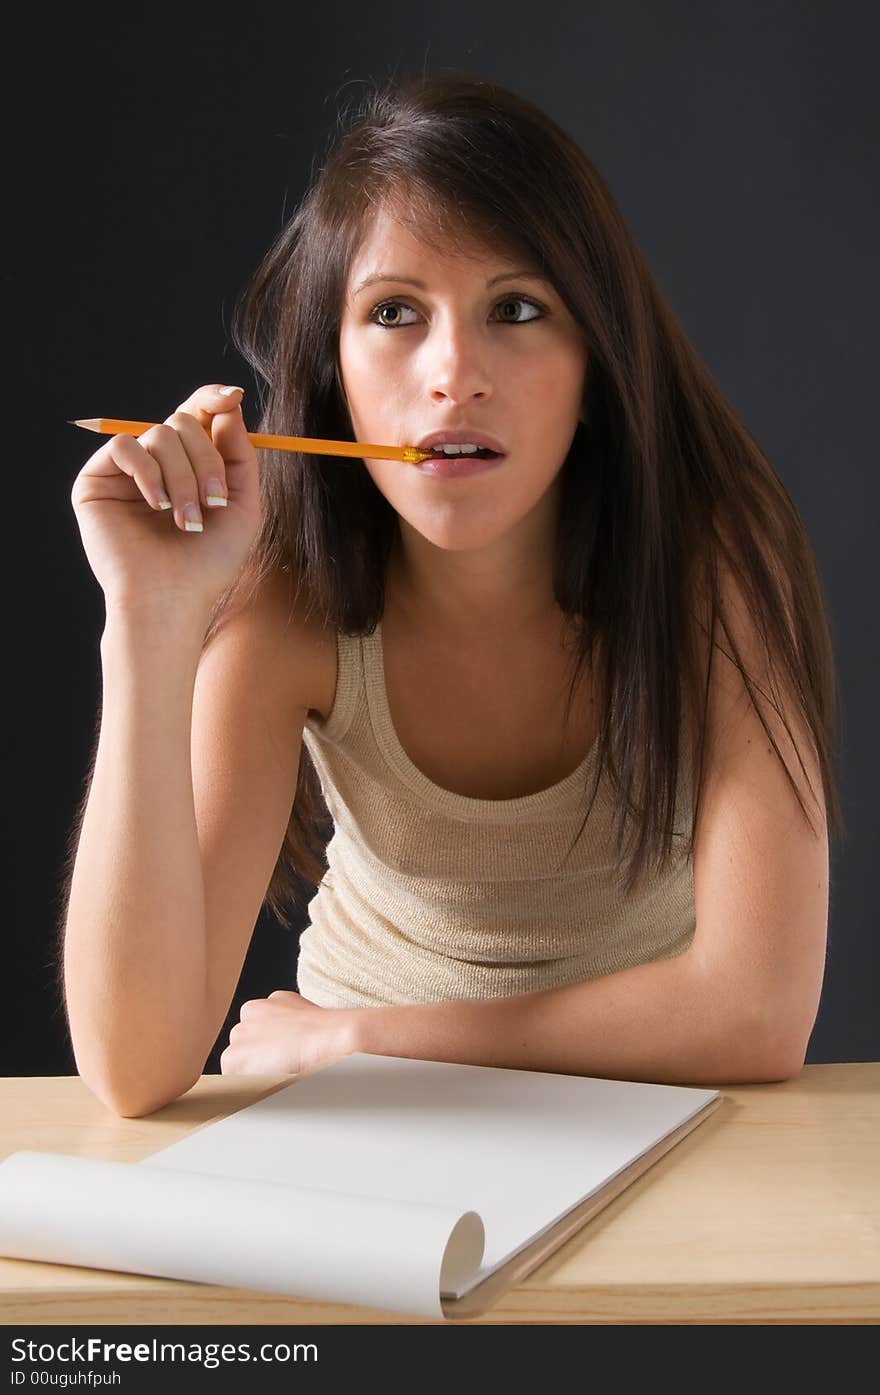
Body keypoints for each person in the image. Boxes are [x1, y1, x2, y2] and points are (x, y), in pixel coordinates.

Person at [60, 72, 844, 1117]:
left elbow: (751, 1017)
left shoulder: (710, 558)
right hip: (365, 1121)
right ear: (332, 369)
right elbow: (131, 1067)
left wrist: (366, 1040)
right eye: (394, 312)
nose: (453, 371)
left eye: (516, 309)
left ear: (595, 363)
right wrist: (148, 621)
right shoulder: (288, 606)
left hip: (639, 1098)